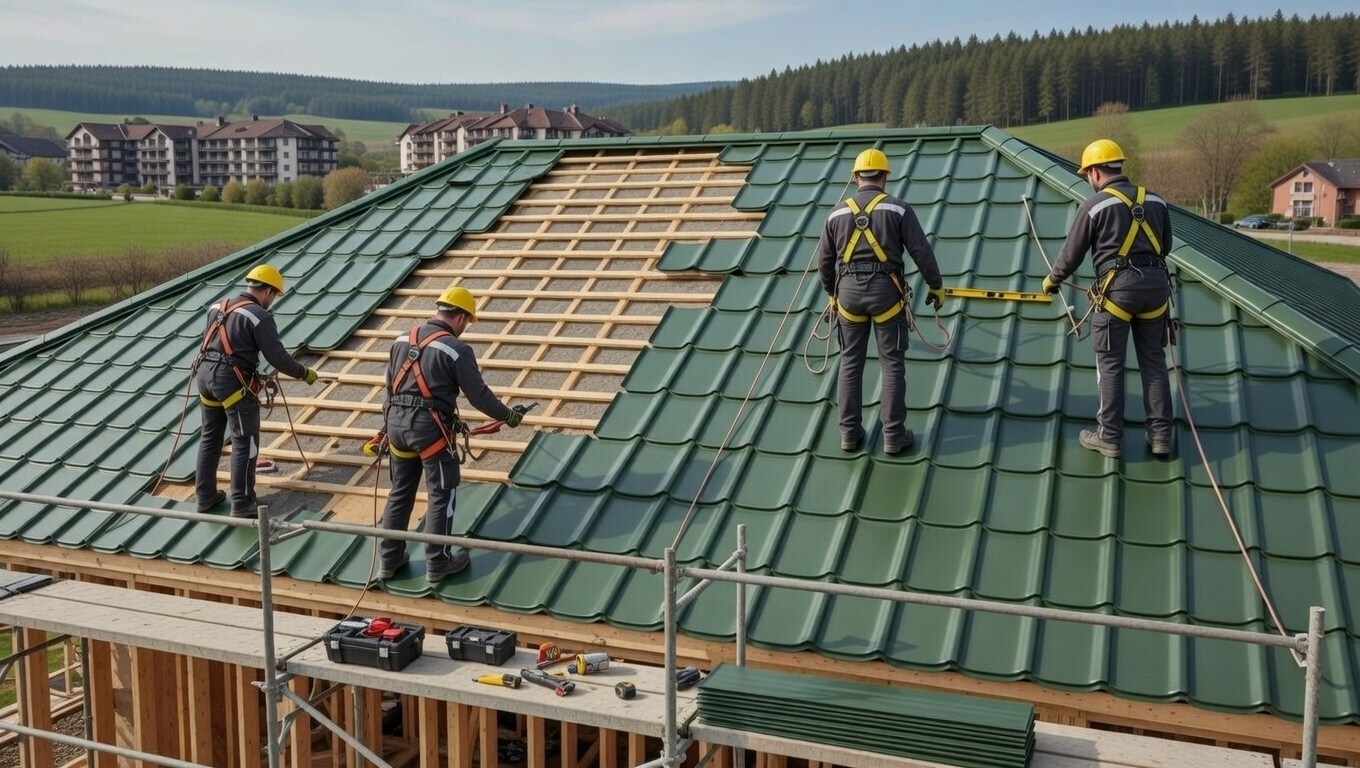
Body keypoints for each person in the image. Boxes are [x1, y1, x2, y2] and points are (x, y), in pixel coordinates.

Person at [376, 285, 525, 583]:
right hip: (429, 430)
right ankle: (438, 562)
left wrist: (385, 428)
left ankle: (389, 560)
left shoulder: (401, 338)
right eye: (467, 321)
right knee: (441, 493)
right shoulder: (456, 349)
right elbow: (479, 395)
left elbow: (391, 387)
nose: (466, 328)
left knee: (401, 491)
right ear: (460, 317)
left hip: (396, 426)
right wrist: (507, 415)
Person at [1042, 138, 1173, 459]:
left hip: (1117, 291)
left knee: (1111, 364)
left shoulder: (1094, 205)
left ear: (1096, 172)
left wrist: (1052, 280)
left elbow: (1071, 255)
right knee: (1154, 364)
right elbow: (1166, 245)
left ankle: (1109, 437)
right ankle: (1160, 437)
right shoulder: (1156, 201)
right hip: (1156, 290)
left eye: (1088, 174)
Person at [817, 148, 945, 455]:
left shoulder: (835, 214)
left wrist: (832, 294)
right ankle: (893, 435)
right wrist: (936, 286)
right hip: (886, 294)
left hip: (848, 295)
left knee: (850, 363)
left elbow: (825, 261)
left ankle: (849, 434)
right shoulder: (899, 210)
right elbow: (921, 252)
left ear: (856, 177)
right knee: (892, 365)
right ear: (884, 177)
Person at [195, 264, 318, 518]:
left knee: (210, 436)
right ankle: (241, 502)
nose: (272, 301)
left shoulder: (217, 306)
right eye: (274, 296)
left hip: (205, 377)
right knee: (245, 441)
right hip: (231, 383)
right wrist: (303, 373)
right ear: (269, 292)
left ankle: (205, 496)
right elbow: (277, 357)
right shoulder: (259, 316)